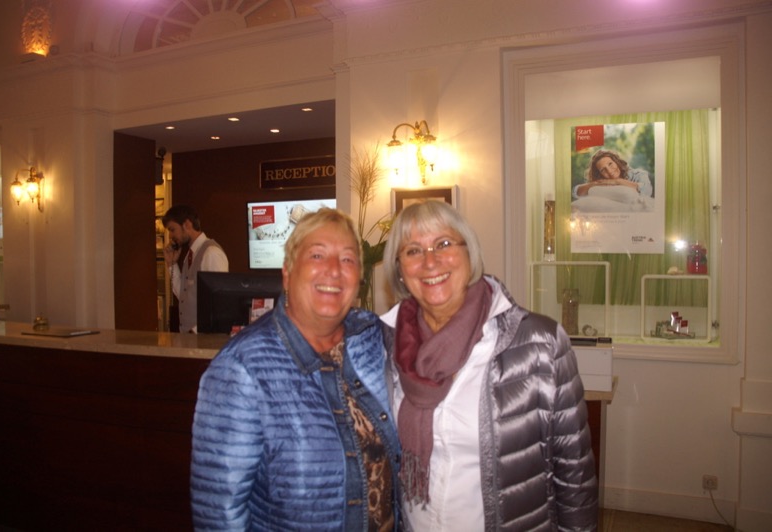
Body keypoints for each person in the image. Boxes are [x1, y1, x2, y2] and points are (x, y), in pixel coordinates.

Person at [381, 200, 598, 531]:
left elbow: (574, 473)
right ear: (399, 269)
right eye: (413, 251)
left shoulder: (539, 343)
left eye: (443, 243)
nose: (430, 261)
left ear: (469, 253)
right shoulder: (384, 344)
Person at [190, 208, 401, 530]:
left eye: (347, 259)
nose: (334, 269)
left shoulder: (373, 336)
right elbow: (218, 512)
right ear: (287, 272)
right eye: (317, 255)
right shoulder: (242, 368)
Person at [162, 204, 228, 333]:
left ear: (187, 225)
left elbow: (220, 302)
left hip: (204, 337)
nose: (170, 236)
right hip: (190, 336)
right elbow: (183, 295)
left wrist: (195, 330)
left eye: (172, 229)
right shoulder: (190, 254)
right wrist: (171, 264)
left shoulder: (211, 253)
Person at [574, 148, 653, 199]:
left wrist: (617, 181)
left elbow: (647, 191)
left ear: (616, 161)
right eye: (603, 170)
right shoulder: (603, 183)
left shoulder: (638, 174)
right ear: (600, 174)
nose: (609, 171)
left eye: (610, 164)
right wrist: (596, 183)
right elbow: (576, 191)